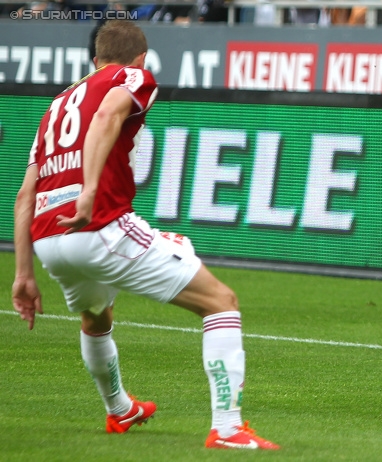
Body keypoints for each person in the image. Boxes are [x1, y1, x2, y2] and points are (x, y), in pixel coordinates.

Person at [11, 20, 279, 450]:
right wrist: (91, 190)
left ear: (93, 60)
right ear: (141, 58)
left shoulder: (56, 106)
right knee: (220, 302)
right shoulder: (130, 76)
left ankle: (119, 409)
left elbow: (25, 196)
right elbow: (108, 113)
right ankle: (228, 428)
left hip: (48, 241)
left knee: (96, 317)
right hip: (97, 225)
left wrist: (23, 274)